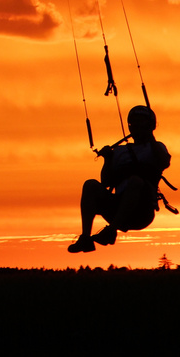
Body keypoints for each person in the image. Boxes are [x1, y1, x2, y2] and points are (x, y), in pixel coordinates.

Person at [68, 104, 172, 253]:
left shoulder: (156, 147)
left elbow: (164, 162)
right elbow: (106, 182)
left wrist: (151, 138)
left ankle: (111, 231)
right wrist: (108, 159)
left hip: (142, 209)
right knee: (90, 185)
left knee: (135, 181)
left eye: (141, 122)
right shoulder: (120, 150)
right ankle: (85, 238)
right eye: (134, 123)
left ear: (149, 125)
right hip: (117, 207)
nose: (136, 126)